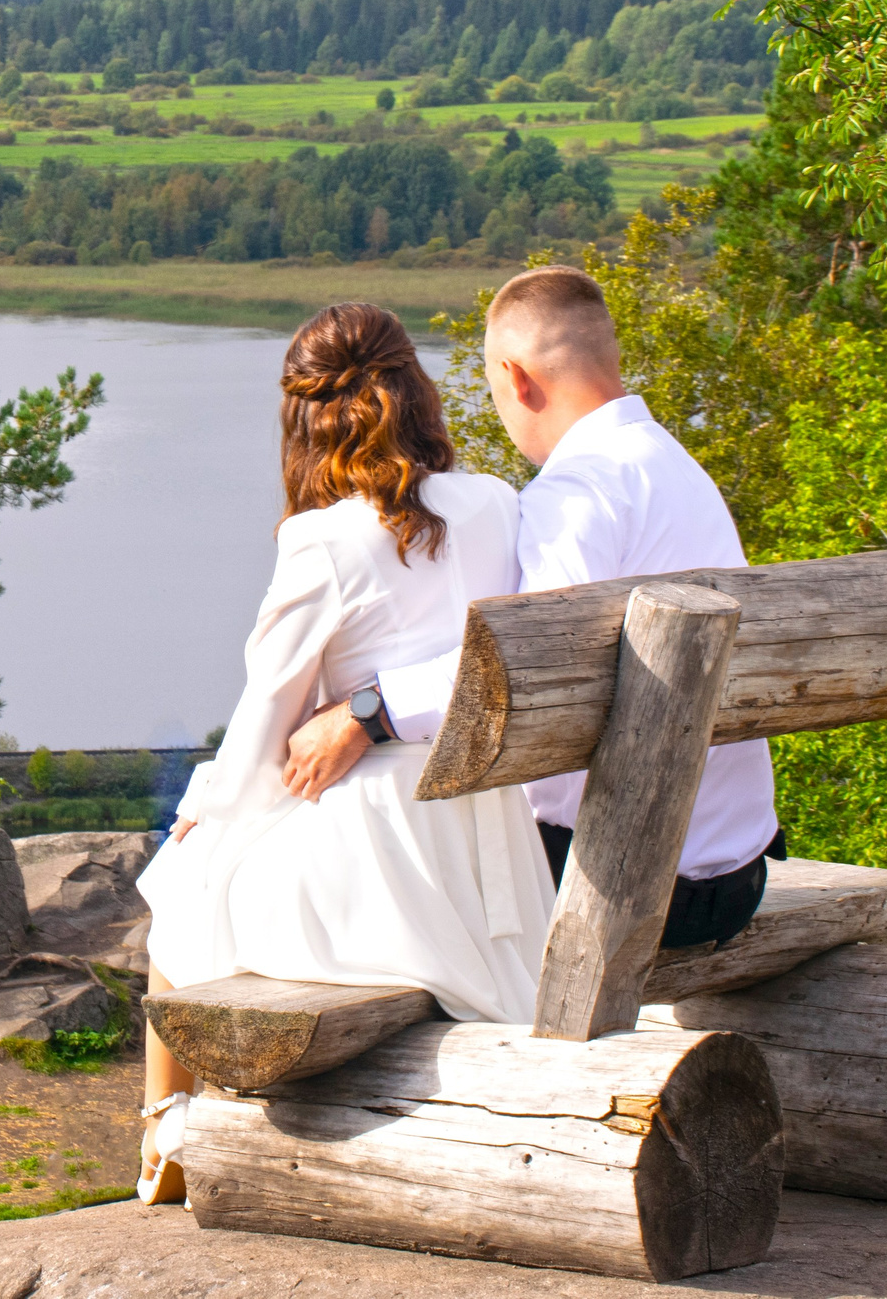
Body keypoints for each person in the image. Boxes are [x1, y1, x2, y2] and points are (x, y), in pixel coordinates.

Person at [130, 302, 556, 1206]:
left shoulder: (320, 541)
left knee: (172, 891)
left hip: (374, 852)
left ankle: (165, 1127)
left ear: (306, 413)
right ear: (417, 390)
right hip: (485, 831)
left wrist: (201, 813)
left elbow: (261, 730)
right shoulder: (494, 502)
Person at [281, 265, 784, 951]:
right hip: (732, 865)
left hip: (636, 879)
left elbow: (529, 661)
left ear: (517, 378)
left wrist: (367, 712)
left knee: (352, 869)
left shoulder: (576, 496)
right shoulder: (673, 467)